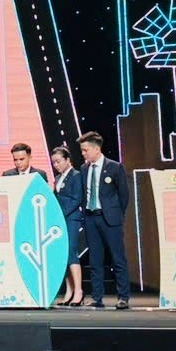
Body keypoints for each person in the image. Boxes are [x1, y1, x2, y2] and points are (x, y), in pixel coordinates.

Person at [78, 131, 131, 310]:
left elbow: (124, 195)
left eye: (85, 150)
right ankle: (97, 297)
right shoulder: (84, 169)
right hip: (90, 218)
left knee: (118, 258)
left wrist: (115, 214)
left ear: (96, 149)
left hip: (110, 219)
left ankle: (123, 297)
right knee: (95, 260)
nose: (83, 154)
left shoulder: (114, 167)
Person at [51, 145, 85, 307]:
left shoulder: (76, 176)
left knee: (72, 252)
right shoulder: (58, 178)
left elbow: (77, 199)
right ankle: (69, 291)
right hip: (60, 220)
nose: (56, 165)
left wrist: (61, 213)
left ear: (67, 160)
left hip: (71, 219)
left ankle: (79, 291)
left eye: (58, 161)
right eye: (54, 162)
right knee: (63, 254)